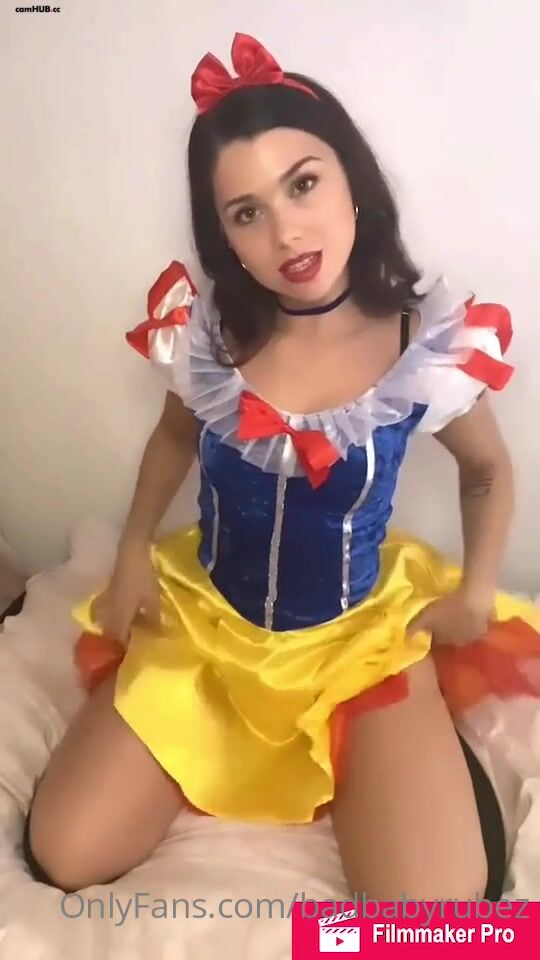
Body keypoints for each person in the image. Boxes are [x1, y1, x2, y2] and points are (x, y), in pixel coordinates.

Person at [23, 32, 540, 899]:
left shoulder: (424, 346)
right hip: (210, 628)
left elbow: (487, 470)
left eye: (302, 184)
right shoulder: (211, 338)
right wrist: (131, 553)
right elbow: (173, 440)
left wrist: (478, 588)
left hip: (357, 645)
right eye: (245, 212)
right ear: (223, 235)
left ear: (351, 178)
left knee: (436, 923)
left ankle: (423, 777)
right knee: (64, 855)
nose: (286, 232)